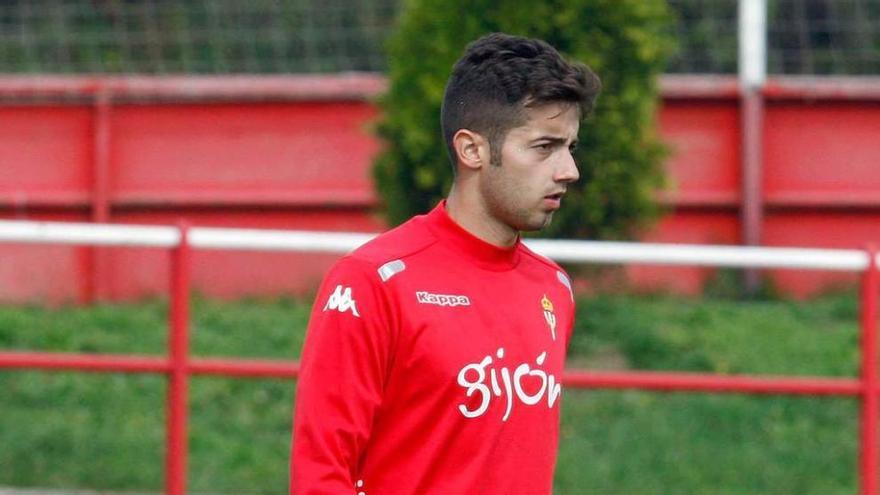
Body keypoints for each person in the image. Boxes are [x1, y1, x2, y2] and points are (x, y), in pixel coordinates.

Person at [290, 32, 601, 495]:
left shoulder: (553, 287)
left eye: (569, 148)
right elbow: (322, 473)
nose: (568, 171)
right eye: (543, 147)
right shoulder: (374, 281)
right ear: (472, 149)